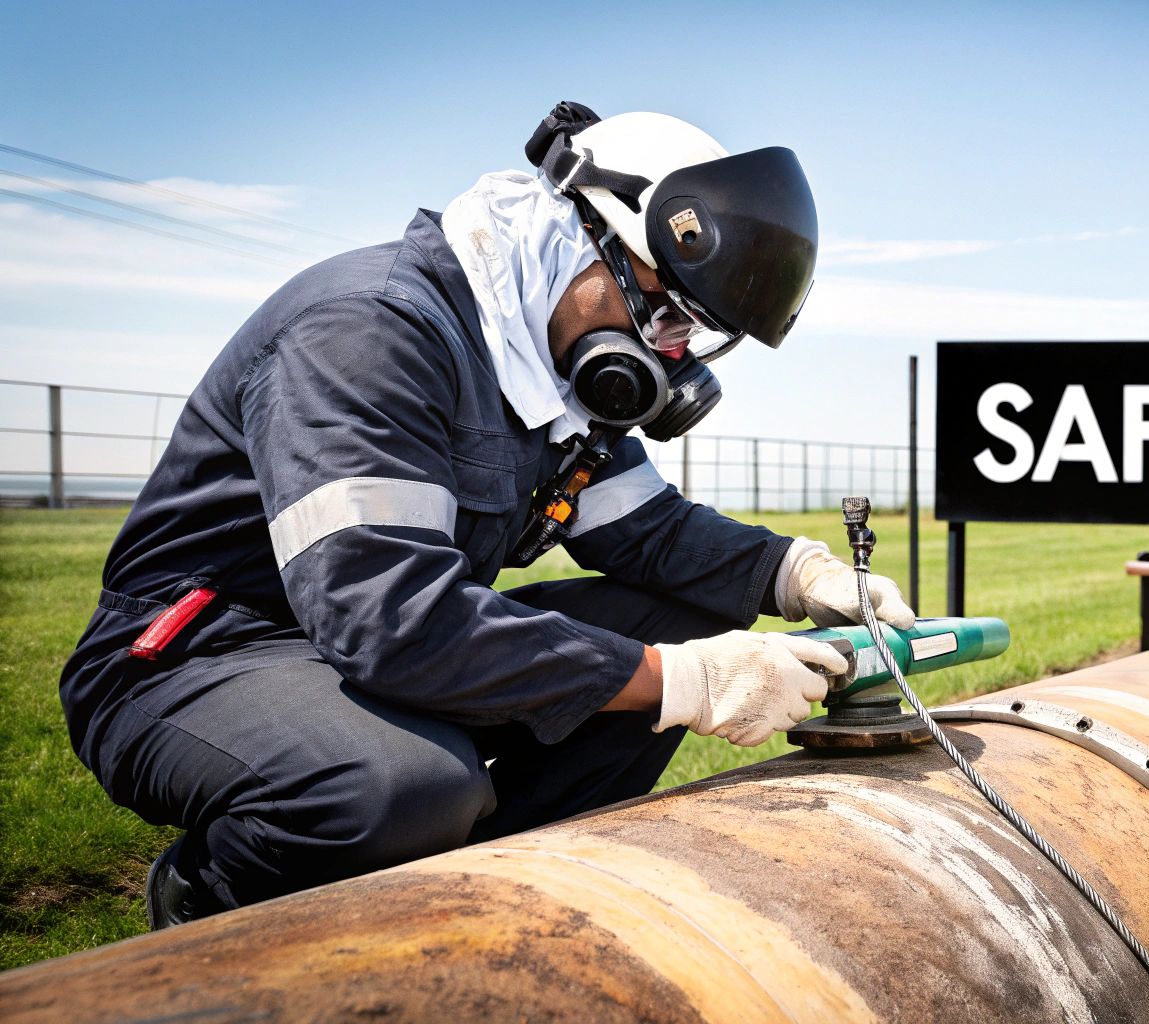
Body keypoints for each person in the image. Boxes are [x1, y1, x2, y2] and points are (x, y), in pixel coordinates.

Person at [57, 102, 915, 928]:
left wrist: (798, 573)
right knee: (398, 786)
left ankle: (490, 901)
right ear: (581, 232)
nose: (665, 353)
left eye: (688, 337)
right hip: (198, 653)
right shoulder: (368, 332)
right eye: (661, 314)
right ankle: (208, 896)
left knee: (686, 617)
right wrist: (683, 682)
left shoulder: (549, 370)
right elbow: (388, 619)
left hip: (363, 642)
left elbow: (651, 535)